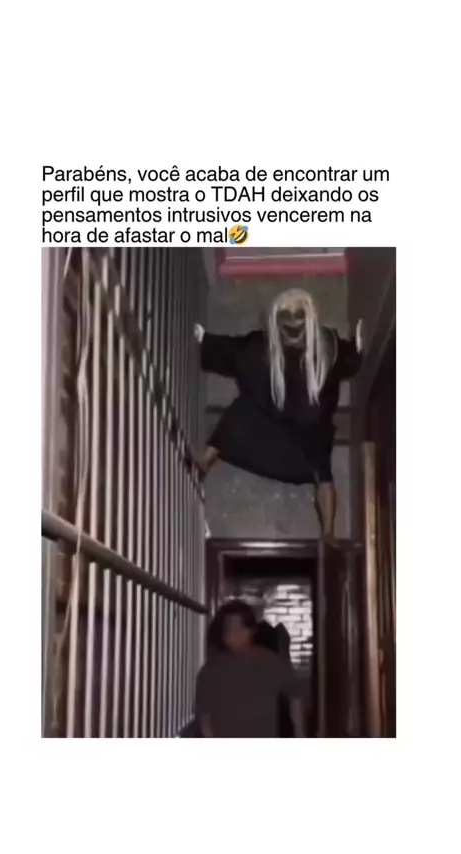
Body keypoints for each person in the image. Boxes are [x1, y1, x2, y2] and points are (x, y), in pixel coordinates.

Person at [195, 288, 364, 540]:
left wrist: (206, 340)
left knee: (242, 410)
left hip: (270, 439)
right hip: (304, 455)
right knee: (322, 470)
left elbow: (234, 351)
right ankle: (328, 534)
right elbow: (350, 360)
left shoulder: (259, 348)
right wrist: (357, 348)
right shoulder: (330, 349)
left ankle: (205, 462)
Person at [196, 600, 305, 738]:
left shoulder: (270, 662)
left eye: (240, 628)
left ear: (252, 630)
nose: (235, 634)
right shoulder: (210, 672)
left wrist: (300, 735)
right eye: (229, 629)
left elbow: (295, 695)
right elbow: (205, 721)